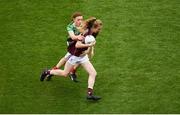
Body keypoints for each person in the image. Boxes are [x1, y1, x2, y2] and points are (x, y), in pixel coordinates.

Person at [40, 18, 102, 100]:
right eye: (98, 29)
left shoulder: (93, 33)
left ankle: (89, 94)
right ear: (94, 27)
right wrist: (89, 46)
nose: (99, 30)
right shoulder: (85, 34)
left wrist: (90, 49)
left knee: (93, 73)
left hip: (83, 57)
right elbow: (77, 45)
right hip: (75, 56)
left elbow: (91, 42)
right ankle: (47, 71)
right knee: (65, 73)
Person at [49, 18, 103, 82]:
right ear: (74, 19)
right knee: (65, 59)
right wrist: (88, 45)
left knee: (82, 57)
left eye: (81, 19)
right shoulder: (74, 27)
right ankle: (51, 72)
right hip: (73, 44)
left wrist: (90, 49)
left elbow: (89, 41)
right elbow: (76, 40)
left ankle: (72, 71)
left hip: (80, 45)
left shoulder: (93, 32)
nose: (80, 21)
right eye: (78, 19)